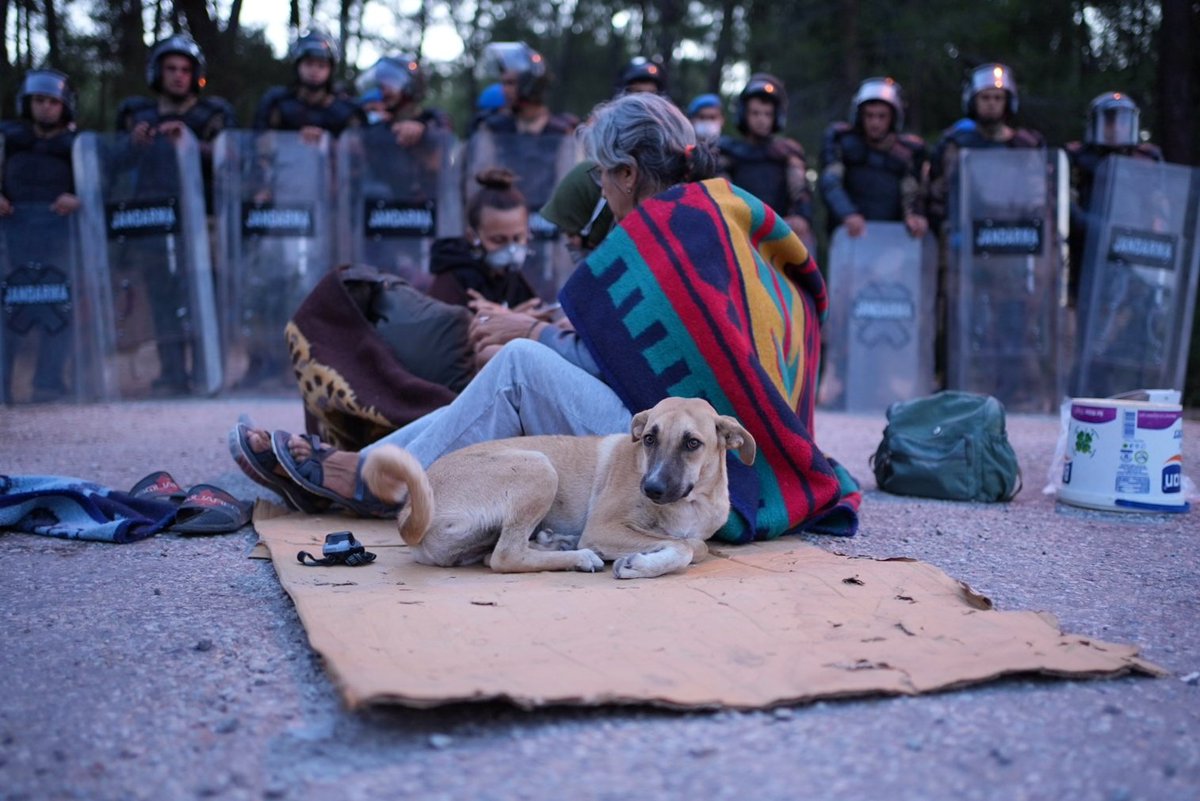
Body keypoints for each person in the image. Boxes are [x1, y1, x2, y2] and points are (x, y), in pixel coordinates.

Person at [232, 92, 860, 544]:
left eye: (602, 177)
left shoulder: (662, 232)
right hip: (759, 448)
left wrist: (533, 332)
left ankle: (374, 482)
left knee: (518, 366)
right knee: (520, 365)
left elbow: (629, 370)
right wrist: (553, 322)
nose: (602, 192)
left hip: (712, 464)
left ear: (627, 173)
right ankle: (366, 462)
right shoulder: (718, 211)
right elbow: (673, 339)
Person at [538, 56, 668, 264]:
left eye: (652, 96)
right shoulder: (586, 177)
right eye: (635, 95)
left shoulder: (677, 182)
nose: (644, 105)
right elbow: (555, 261)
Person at [0, 69, 80, 402]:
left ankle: (47, 385)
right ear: (27, 103)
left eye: (52, 101)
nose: (46, 107)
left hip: (58, 242)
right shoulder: (9, 141)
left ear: (64, 106)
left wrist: (76, 197)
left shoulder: (76, 146)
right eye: (39, 100)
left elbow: (94, 183)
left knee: (58, 310)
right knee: (8, 311)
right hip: (12, 241)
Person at [1064, 91, 1163, 303]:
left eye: (1123, 122)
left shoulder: (1147, 161)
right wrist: (1096, 228)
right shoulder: (1077, 158)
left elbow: (1161, 209)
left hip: (1134, 256)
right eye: (1109, 122)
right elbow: (1065, 207)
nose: (1117, 128)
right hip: (1086, 254)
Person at [926, 62, 1044, 227]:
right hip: (966, 232)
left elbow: (1038, 194)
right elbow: (939, 192)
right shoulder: (956, 145)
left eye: (998, 98)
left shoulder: (1025, 146)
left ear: (1008, 102)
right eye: (985, 97)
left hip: (1015, 233)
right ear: (973, 101)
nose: (991, 103)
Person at [818, 77, 928, 239]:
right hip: (850, 236)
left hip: (892, 241)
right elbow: (830, 182)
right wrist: (847, 213)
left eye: (881, 116)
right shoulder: (841, 142)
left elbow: (913, 192)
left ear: (893, 117)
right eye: (869, 115)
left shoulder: (908, 152)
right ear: (860, 116)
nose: (875, 123)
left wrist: (915, 217)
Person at [718, 73, 815, 250]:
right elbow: (720, 191)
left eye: (767, 114)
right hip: (739, 234)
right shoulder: (727, 152)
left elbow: (800, 188)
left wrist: (801, 216)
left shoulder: (788, 152)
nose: (761, 119)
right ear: (743, 114)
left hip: (779, 234)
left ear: (776, 117)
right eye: (755, 113)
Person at [427, 168, 539, 309]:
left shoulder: (513, 279)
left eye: (518, 238)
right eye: (498, 240)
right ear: (473, 237)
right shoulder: (455, 281)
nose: (511, 250)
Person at [253, 28, 363, 140]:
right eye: (309, 63)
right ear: (298, 66)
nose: (314, 70)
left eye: (321, 65)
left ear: (330, 70)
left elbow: (357, 150)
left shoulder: (346, 110)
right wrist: (295, 138)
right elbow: (260, 143)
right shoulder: (276, 103)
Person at [477, 41, 578, 136]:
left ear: (531, 84)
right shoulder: (496, 128)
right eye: (503, 83)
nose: (504, 90)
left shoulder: (562, 131)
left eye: (511, 83)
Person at [355, 54, 451, 147]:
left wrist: (422, 129)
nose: (384, 91)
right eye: (381, 85)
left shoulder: (433, 118)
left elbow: (442, 134)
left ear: (411, 87)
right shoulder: (375, 119)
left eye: (391, 83)